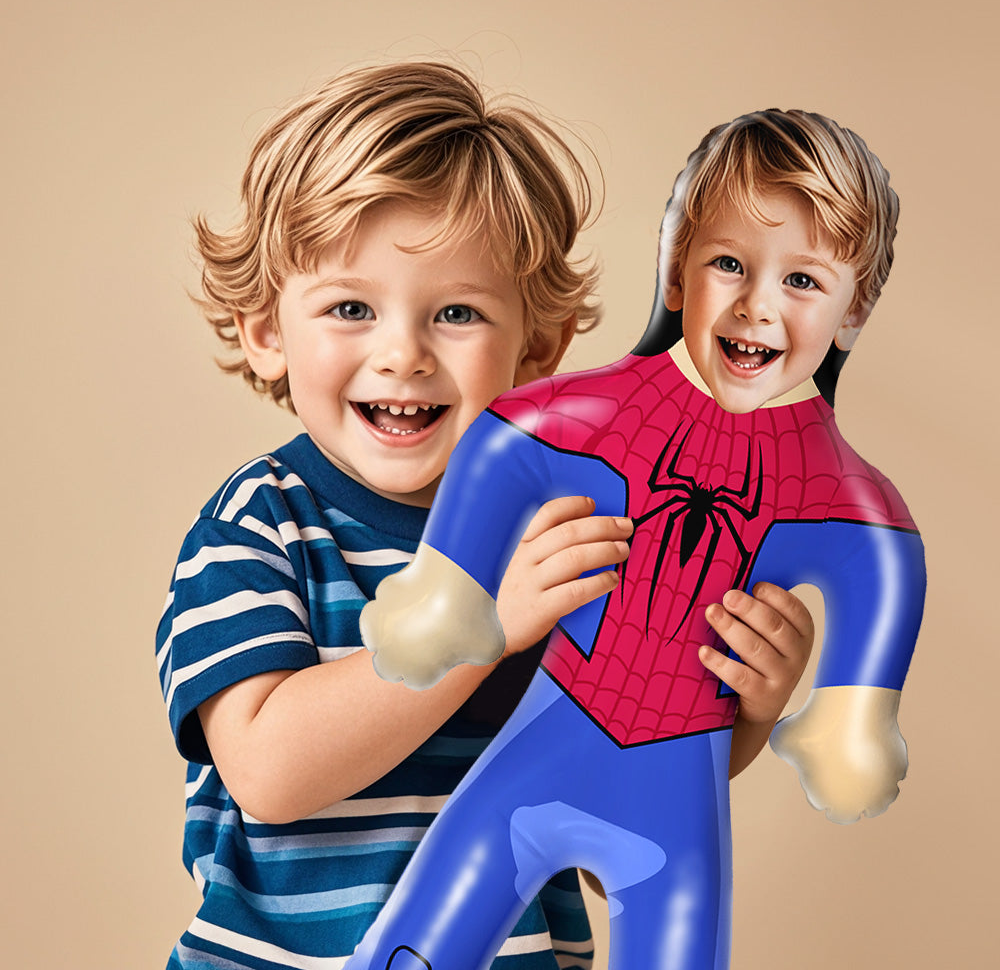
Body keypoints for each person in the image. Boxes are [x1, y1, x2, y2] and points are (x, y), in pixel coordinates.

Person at [156, 66, 815, 970]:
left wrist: (747, 710)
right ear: (267, 331)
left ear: (536, 348)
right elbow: (271, 773)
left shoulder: (567, 538)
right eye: (351, 307)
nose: (403, 354)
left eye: (457, 313)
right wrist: (482, 628)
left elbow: (615, 811)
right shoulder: (261, 524)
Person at [354, 109, 925, 969]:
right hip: (548, 735)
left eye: (803, 280)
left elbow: (886, 559)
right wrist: (448, 595)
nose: (757, 306)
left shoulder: (838, 491)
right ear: (675, 270)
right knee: (417, 947)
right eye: (728, 264)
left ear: (856, 310)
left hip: (678, 782)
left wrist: (851, 714)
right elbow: (504, 440)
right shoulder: (605, 413)